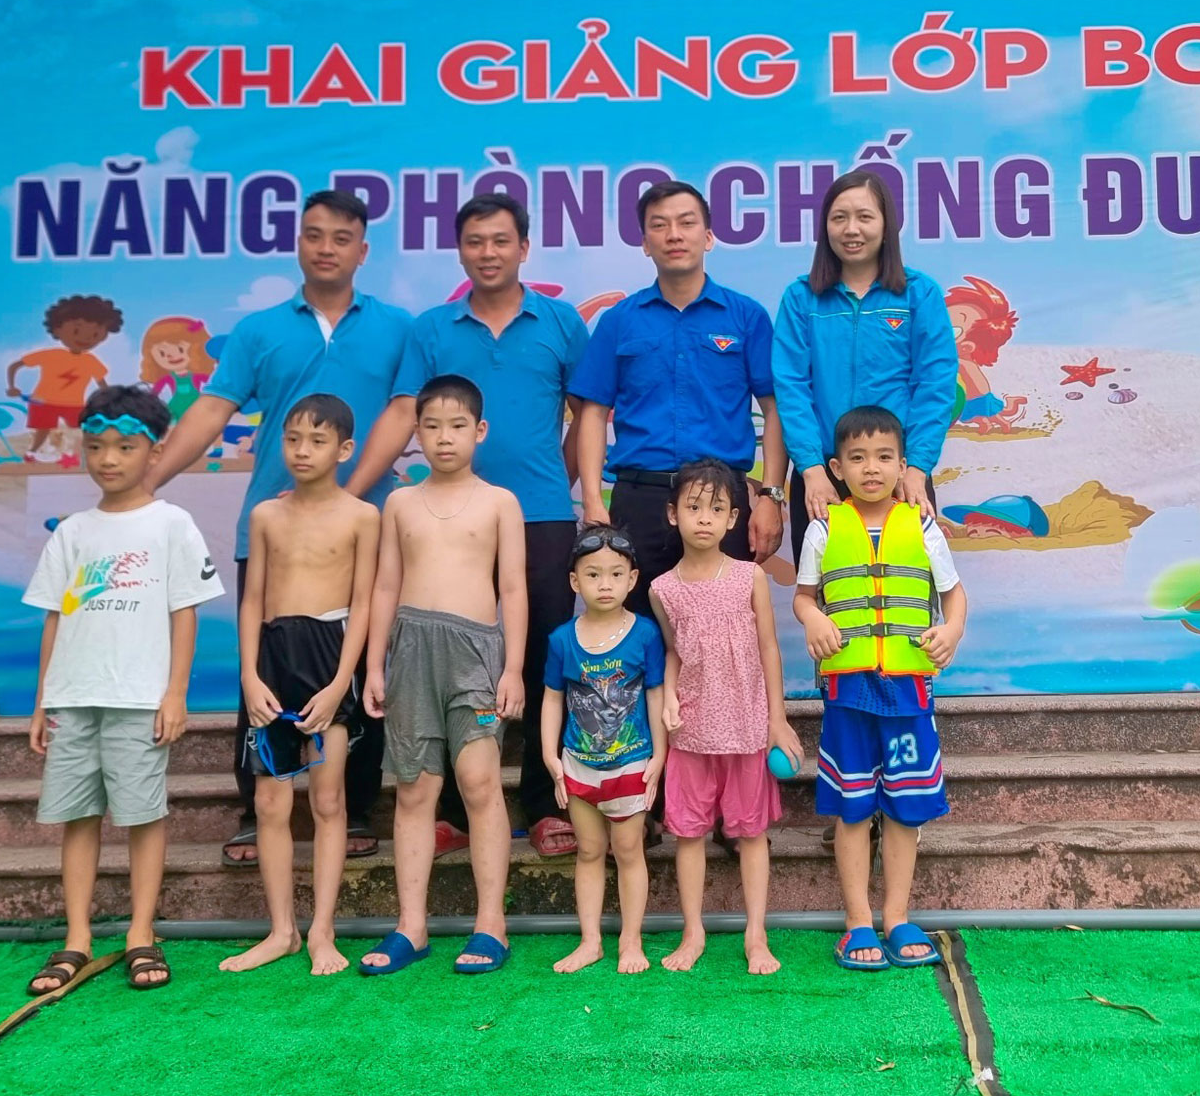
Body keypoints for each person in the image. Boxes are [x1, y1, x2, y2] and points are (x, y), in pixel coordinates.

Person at [147, 188, 411, 867]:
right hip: (274, 532)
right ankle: (255, 810)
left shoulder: (397, 327)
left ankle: (355, 808)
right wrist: (147, 482)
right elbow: (212, 410)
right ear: (298, 243)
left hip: (365, 530)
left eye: (341, 237)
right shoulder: (259, 330)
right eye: (314, 235)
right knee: (263, 669)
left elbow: (404, 411)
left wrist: (344, 496)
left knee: (362, 671)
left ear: (363, 250)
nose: (326, 248)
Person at [352, 192, 589, 859]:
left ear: (524, 247)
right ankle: (453, 810)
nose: (488, 252)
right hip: (446, 522)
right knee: (453, 658)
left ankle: (545, 803)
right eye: (475, 241)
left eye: (501, 240)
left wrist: (561, 481)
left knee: (543, 661)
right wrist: (348, 493)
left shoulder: (562, 321)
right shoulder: (433, 329)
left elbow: (588, 413)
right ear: (460, 251)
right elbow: (404, 412)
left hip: (542, 516)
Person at [22, 385, 224, 997]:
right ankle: (77, 938)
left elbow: (185, 612)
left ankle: (141, 932)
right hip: (73, 697)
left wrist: (175, 693)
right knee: (78, 816)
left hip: (139, 699)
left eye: (124, 447)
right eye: (95, 446)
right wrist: (43, 700)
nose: (108, 459)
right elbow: (54, 617)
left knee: (142, 815)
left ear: (154, 451)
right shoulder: (73, 531)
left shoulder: (171, 524)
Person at [357, 376, 526, 976]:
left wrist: (513, 668)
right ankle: (411, 926)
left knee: (479, 781)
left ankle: (491, 924)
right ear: (416, 434)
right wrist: (374, 664)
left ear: (480, 431)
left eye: (457, 426)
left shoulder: (500, 502)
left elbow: (513, 588)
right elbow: (384, 586)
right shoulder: (400, 503)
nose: (444, 438)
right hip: (410, 650)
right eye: (431, 426)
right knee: (414, 789)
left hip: (476, 653)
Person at [792, 405, 966, 973]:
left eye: (884, 457)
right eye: (859, 458)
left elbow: (954, 595)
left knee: (905, 809)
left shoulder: (922, 525)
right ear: (837, 468)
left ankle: (897, 916)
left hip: (909, 691)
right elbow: (804, 597)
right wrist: (813, 619)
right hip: (848, 691)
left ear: (903, 464)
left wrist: (952, 631)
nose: (872, 468)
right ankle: (857, 921)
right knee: (852, 809)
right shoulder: (823, 528)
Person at [222, 394, 379, 978]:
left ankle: (322, 930)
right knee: (269, 801)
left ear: (344, 449)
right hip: (272, 659)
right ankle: (281, 930)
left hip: (329, 657)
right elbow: (252, 600)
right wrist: (248, 674)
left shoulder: (363, 516)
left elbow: (364, 603)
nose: (302, 451)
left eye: (316, 440)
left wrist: (341, 683)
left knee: (329, 798)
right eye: (292, 439)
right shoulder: (266, 515)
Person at [571, 179, 786, 591]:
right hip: (639, 501)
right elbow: (593, 414)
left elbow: (774, 409)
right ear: (644, 243)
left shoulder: (747, 317)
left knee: (724, 623)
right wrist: (594, 501)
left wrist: (770, 497)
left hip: (720, 501)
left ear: (708, 237)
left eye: (686, 223)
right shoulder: (619, 321)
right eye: (659, 225)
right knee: (636, 622)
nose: (674, 235)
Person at [648, 460, 800, 975]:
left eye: (716, 509)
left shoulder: (748, 577)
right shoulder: (662, 589)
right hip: (690, 731)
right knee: (688, 834)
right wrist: (669, 698)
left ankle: (757, 934)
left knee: (751, 834)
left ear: (733, 518)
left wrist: (777, 720)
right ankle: (693, 931)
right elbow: (674, 651)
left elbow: (769, 648)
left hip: (747, 727)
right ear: (673, 514)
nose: (704, 518)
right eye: (693, 507)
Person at [773, 167, 959, 546]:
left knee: (904, 583)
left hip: (898, 476)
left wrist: (916, 468)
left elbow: (936, 386)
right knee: (825, 583)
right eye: (839, 218)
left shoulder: (919, 294)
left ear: (887, 225)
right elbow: (791, 388)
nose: (851, 229)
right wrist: (811, 469)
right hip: (824, 478)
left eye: (865, 217)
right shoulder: (801, 298)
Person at [540, 527, 666, 974]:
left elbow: (656, 694)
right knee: (589, 851)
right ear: (575, 581)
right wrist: (551, 757)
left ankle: (631, 941)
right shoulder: (561, 640)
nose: (605, 584)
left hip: (631, 764)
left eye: (615, 574)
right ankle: (590, 941)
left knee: (629, 851)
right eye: (593, 575)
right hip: (578, 765)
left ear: (633, 579)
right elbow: (552, 698)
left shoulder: (646, 634)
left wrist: (660, 757)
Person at [6, 294, 125, 463]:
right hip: (43, 401)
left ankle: (72, 456)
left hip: (74, 404)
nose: (85, 338)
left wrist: (110, 399)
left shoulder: (90, 361)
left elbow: (101, 383)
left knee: (81, 429)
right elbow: (15, 366)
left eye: (95, 334)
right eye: (76, 331)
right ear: (57, 329)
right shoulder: (51, 355)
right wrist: (12, 387)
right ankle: (32, 453)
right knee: (43, 429)